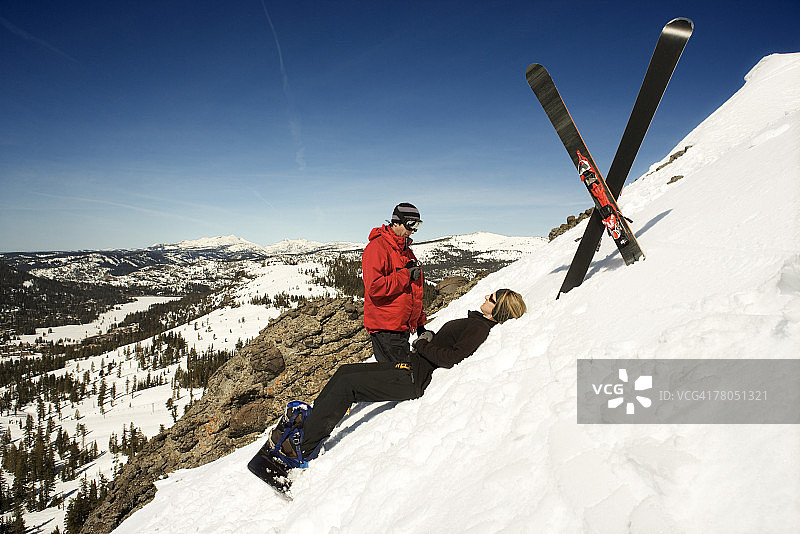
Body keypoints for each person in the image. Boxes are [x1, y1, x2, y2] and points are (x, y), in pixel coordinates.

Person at [266, 289, 527, 467]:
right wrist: (430, 339)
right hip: (411, 368)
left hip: (413, 378)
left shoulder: (480, 328)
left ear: (498, 309)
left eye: (491, 297)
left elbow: (452, 358)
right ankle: (310, 422)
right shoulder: (477, 323)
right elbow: (449, 347)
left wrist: (423, 345)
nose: (485, 296)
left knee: (349, 385)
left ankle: (301, 448)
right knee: (345, 373)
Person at [361, 202, 427, 364]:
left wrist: (419, 323)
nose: (413, 231)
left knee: (400, 376)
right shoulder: (377, 248)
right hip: (387, 329)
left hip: (401, 327)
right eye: (410, 225)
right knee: (398, 377)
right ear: (396, 222)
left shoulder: (405, 251)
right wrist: (406, 275)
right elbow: (375, 287)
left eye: (417, 225)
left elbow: (413, 292)